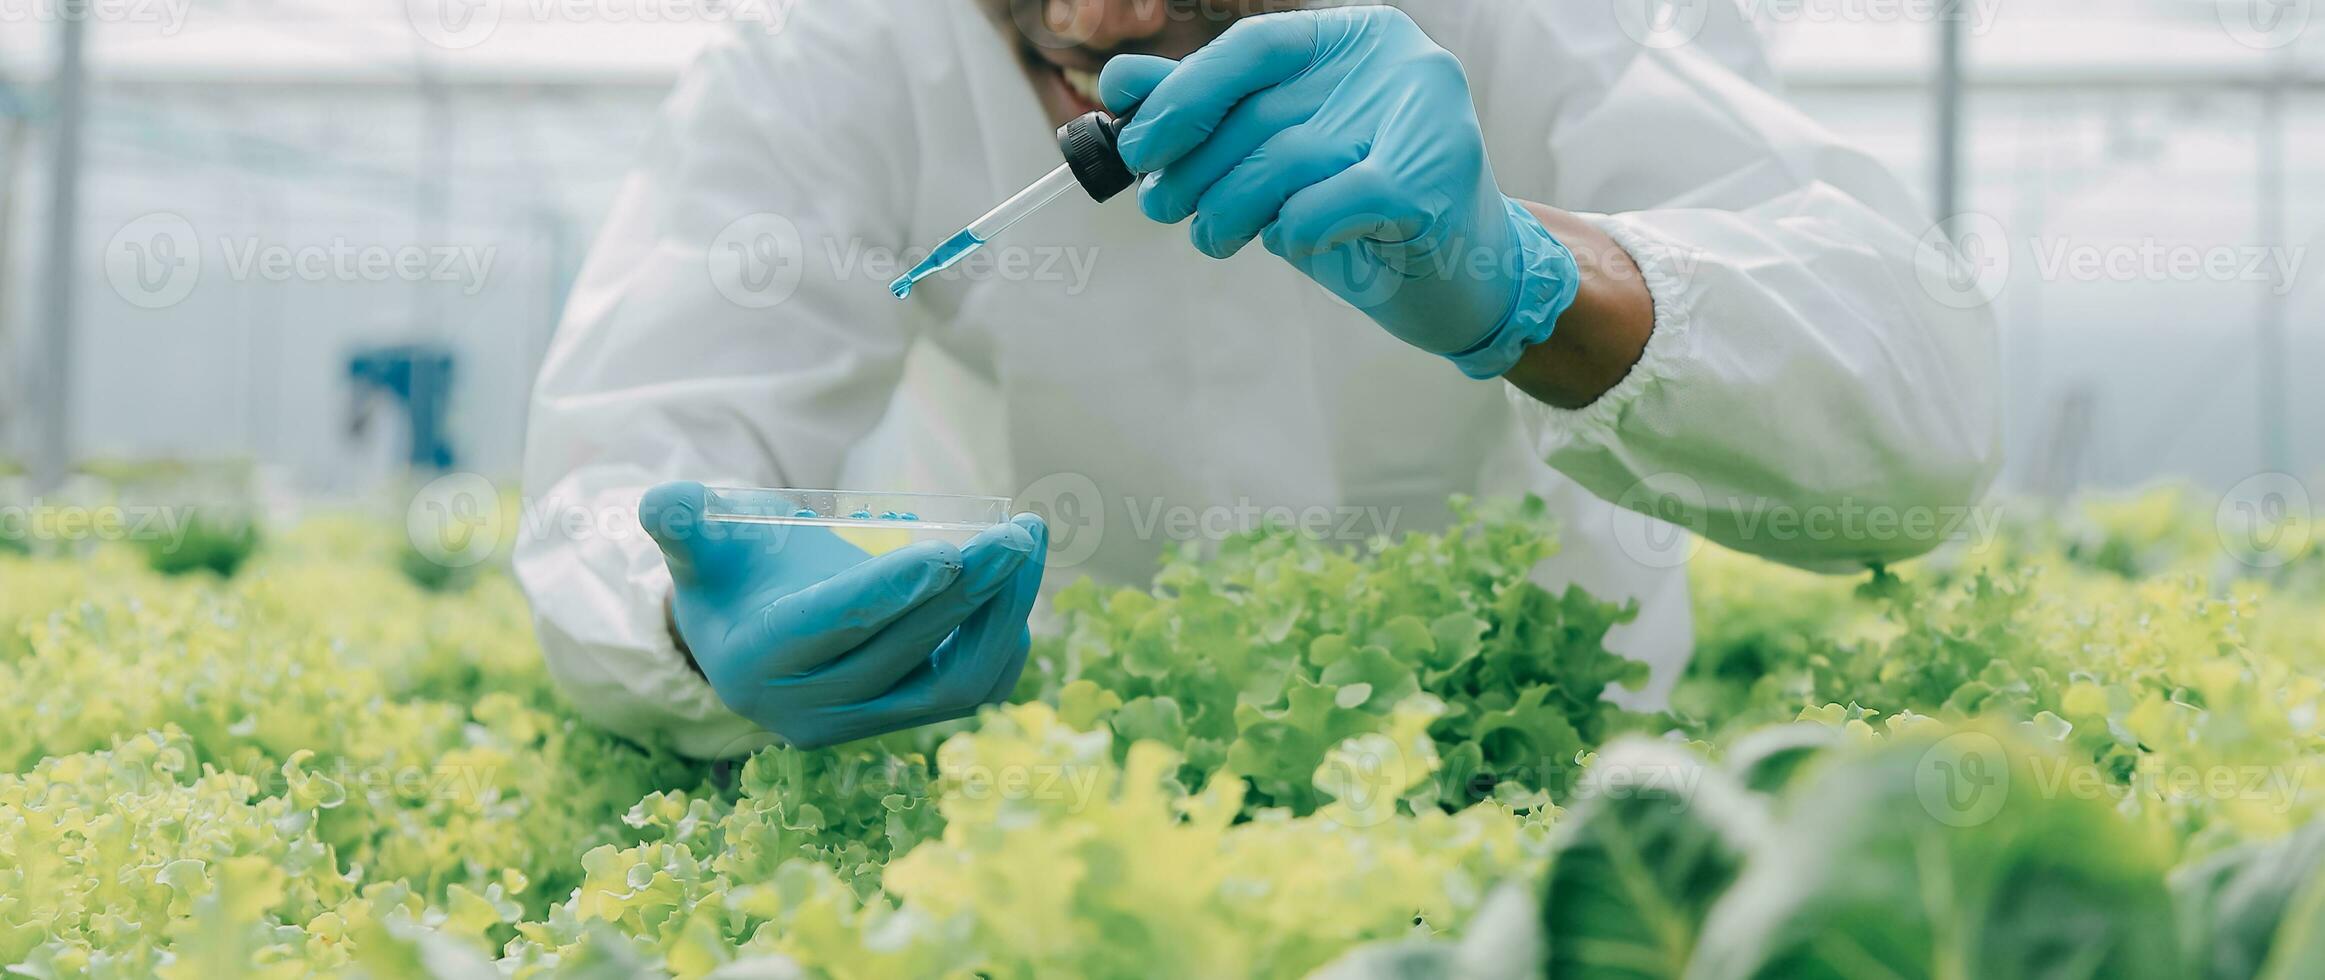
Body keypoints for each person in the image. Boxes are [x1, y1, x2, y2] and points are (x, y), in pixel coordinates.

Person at [514, 0, 1999, 757]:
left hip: (1557, 794)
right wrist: (688, 621)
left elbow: (1918, 427)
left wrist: (1537, 284)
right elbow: (628, 472)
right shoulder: (830, 47)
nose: (1093, 24)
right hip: (1060, 798)